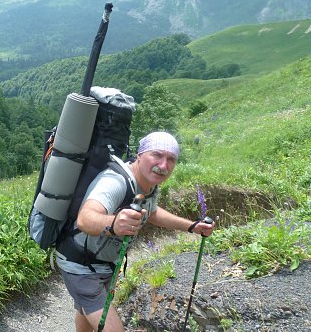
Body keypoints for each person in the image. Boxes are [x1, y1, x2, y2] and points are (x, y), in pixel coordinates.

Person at [55, 131, 216, 332]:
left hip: (103, 263)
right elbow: (85, 218)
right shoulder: (115, 181)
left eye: (171, 159)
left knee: (85, 310)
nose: (163, 165)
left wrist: (191, 226)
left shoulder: (149, 185)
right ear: (140, 155)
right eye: (156, 155)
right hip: (80, 264)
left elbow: (153, 212)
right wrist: (114, 223)